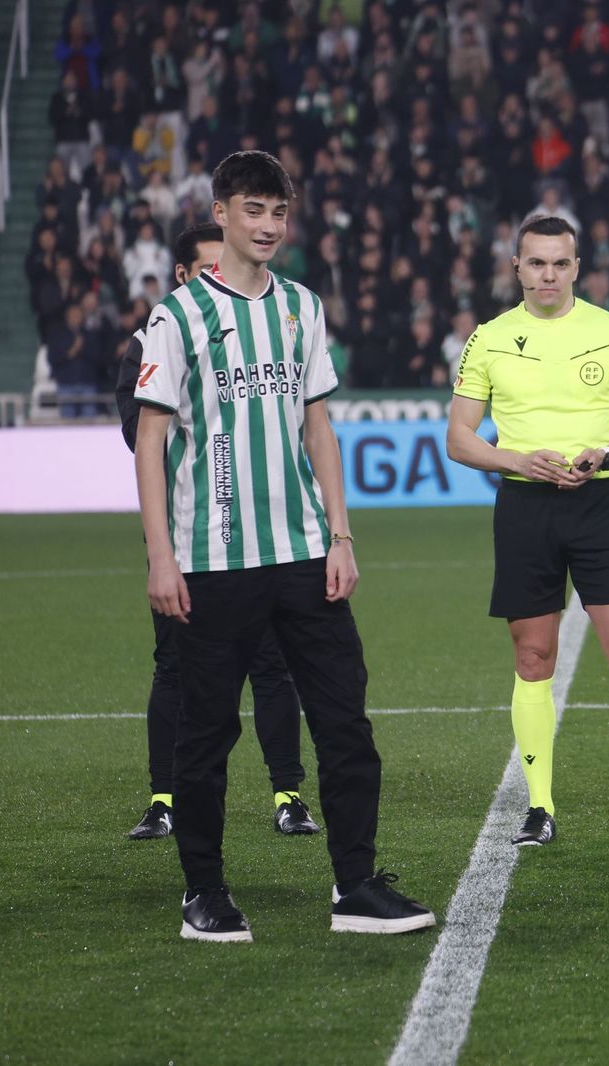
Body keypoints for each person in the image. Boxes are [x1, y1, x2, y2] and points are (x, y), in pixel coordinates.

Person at [134, 151, 433, 942]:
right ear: (223, 212)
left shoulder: (302, 306)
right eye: (254, 210)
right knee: (206, 735)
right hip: (213, 559)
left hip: (305, 554)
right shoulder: (179, 315)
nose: (268, 226)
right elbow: (151, 437)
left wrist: (341, 534)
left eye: (279, 213)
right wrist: (160, 554)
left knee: (344, 725)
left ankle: (356, 885)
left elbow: (318, 425)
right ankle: (204, 892)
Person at [444, 214, 609, 848]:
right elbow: (458, 437)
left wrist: (606, 454)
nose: (548, 274)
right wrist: (516, 460)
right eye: (537, 263)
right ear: (517, 268)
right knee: (534, 659)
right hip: (526, 508)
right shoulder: (490, 339)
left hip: (598, 505)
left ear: (577, 268)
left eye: (560, 263)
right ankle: (540, 807)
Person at [115, 221, 320, 842]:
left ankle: (288, 793)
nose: (222, 284)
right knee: (174, 668)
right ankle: (164, 798)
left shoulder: (272, 324)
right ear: (183, 277)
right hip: (191, 538)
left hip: (262, 541)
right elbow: (143, 438)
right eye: (209, 271)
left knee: (272, 666)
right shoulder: (153, 342)